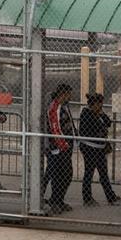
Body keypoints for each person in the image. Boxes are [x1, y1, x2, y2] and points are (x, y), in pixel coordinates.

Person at [79, 93, 120, 206]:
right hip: (90, 148)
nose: (101, 106)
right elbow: (91, 130)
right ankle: (87, 198)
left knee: (103, 173)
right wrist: (100, 130)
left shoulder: (98, 114)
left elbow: (108, 123)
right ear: (94, 104)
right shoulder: (86, 114)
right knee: (89, 172)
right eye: (99, 104)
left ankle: (110, 196)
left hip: (99, 148)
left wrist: (101, 113)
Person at [44, 83, 75, 214]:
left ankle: (58, 200)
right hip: (57, 148)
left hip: (65, 146)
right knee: (58, 176)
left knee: (66, 175)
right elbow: (55, 129)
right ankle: (55, 202)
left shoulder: (64, 106)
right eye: (69, 94)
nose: (70, 96)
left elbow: (69, 124)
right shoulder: (54, 107)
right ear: (63, 94)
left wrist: (74, 137)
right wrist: (64, 146)